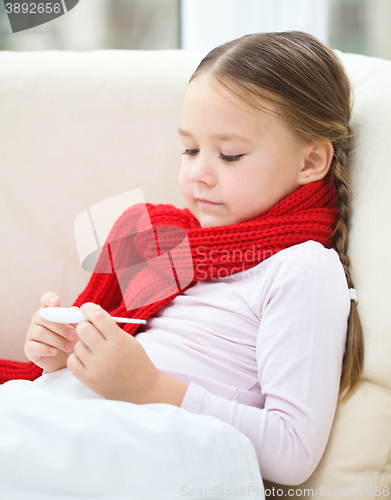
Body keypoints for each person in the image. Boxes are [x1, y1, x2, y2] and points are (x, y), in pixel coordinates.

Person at [0, 31, 363, 487]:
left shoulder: (301, 268)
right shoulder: (163, 243)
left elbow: (293, 453)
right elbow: (124, 341)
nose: (198, 174)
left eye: (229, 155)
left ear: (311, 161)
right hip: (70, 418)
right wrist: (65, 352)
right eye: (190, 149)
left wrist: (149, 388)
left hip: (152, 446)